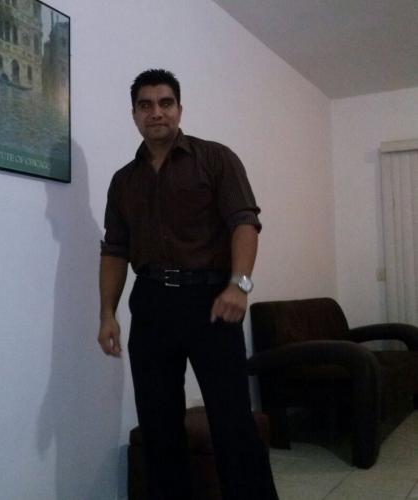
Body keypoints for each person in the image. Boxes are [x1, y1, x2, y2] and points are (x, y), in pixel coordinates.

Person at [99, 69, 278, 500]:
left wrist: (240, 285)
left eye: (165, 103)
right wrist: (107, 314)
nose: (156, 112)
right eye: (145, 105)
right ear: (134, 114)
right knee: (158, 422)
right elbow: (115, 251)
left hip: (211, 300)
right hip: (151, 303)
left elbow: (244, 222)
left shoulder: (215, 159)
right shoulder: (124, 181)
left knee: (232, 419)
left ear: (179, 109)